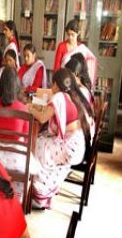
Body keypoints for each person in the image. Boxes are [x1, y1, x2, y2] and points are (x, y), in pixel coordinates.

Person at [29, 68, 93, 209]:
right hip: (78, 146)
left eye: (52, 84)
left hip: (69, 148)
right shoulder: (74, 94)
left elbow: (41, 117)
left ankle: (41, 195)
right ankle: (45, 193)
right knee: (42, 138)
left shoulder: (59, 97)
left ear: (57, 84)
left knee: (37, 144)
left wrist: (30, 108)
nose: (51, 88)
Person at [0, 67, 39, 201]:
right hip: (17, 159)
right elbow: (26, 141)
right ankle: (17, 198)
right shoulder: (23, 109)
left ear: (1, 85)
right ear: (17, 86)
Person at [53, 19, 97, 84]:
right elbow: (56, 67)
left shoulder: (82, 49)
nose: (70, 37)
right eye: (68, 34)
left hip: (77, 82)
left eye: (72, 35)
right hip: (63, 81)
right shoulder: (61, 46)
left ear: (78, 33)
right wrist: (56, 82)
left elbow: (86, 66)